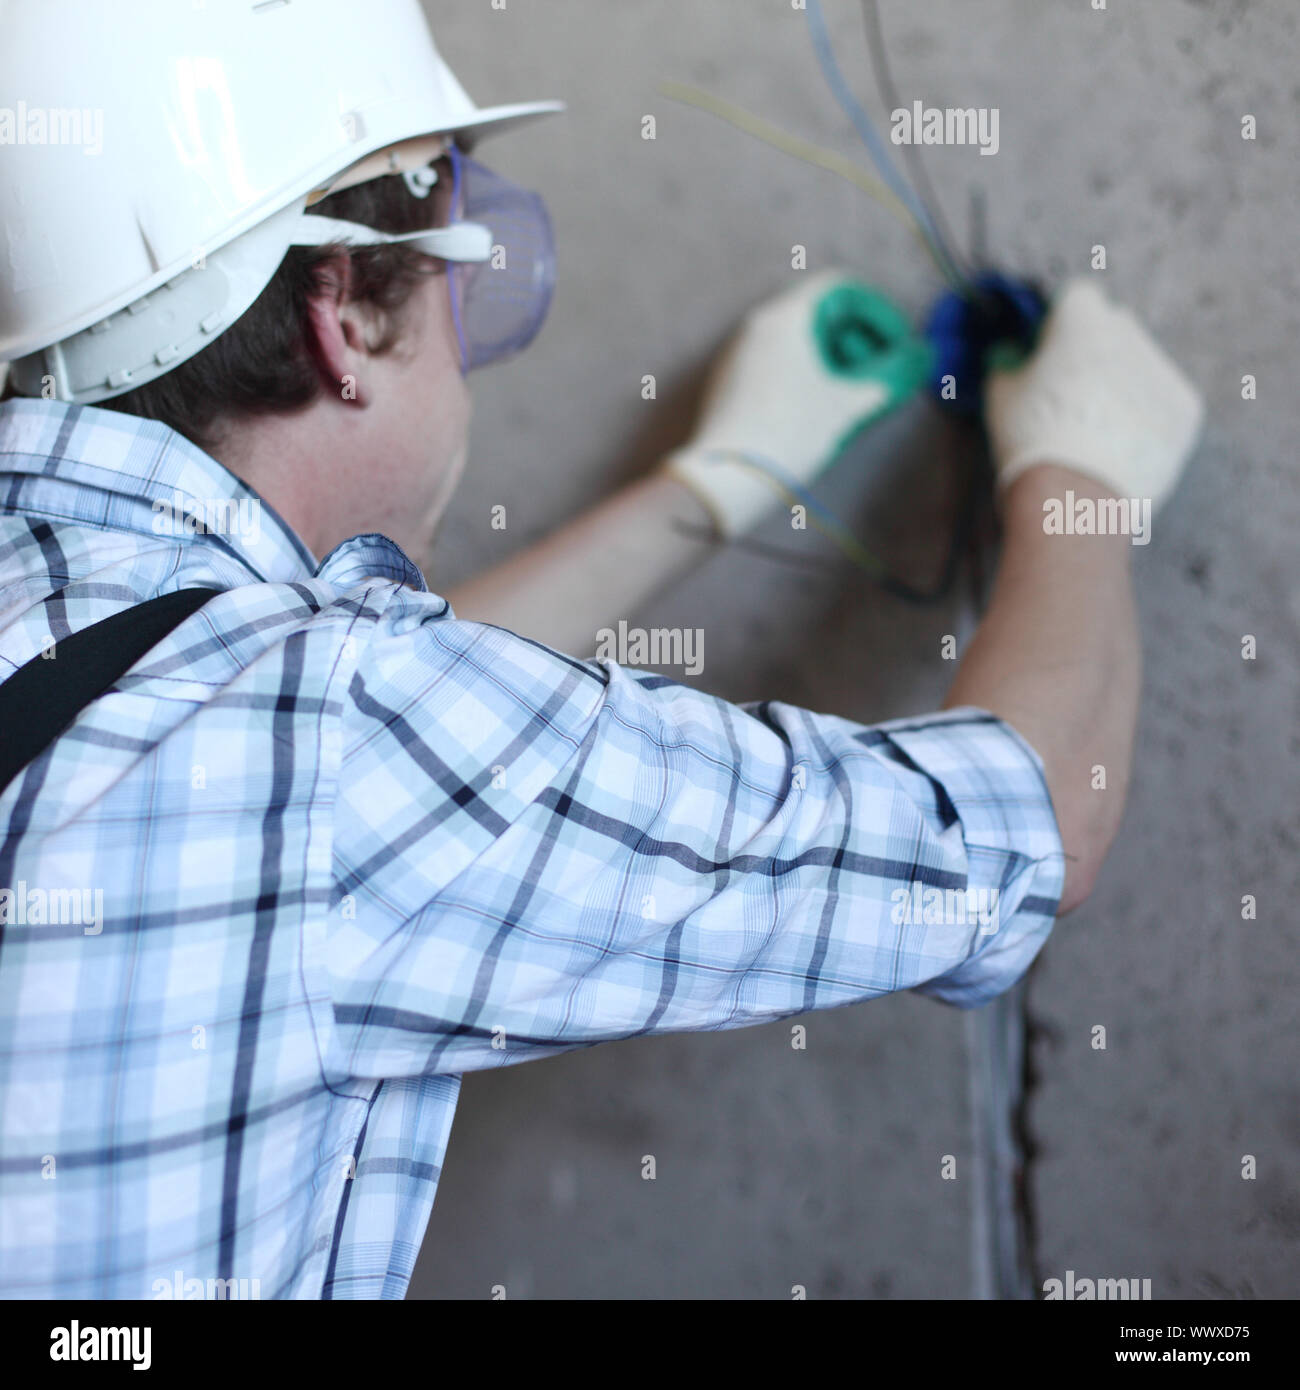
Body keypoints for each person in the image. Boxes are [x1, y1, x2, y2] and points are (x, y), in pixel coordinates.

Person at [0, 1, 1203, 1299]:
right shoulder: (340, 748)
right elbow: (1014, 832)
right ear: (340, 313)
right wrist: (1083, 479)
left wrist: (703, 488)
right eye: (470, 274)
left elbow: (363, 747)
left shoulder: (162, 663)